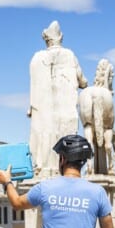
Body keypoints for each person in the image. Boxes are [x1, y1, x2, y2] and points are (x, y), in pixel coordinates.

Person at [28, 21, 88, 177]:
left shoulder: (37, 58)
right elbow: (83, 81)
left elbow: (33, 85)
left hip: (43, 110)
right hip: (66, 110)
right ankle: (66, 168)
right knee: (66, 139)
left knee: (45, 136)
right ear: (60, 37)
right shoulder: (69, 55)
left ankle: (44, 168)